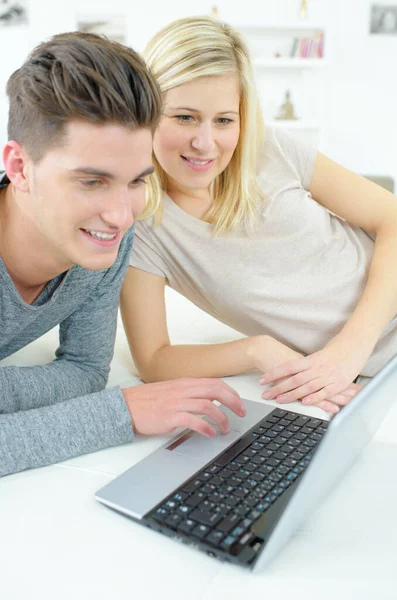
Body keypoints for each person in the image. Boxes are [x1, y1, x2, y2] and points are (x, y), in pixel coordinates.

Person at [120, 15, 397, 416]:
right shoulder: (143, 225)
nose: (205, 143)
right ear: (147, 112)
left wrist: (350, 348)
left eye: (224, 120)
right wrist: (255, 350)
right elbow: (152, 360)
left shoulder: (270, 150)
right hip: (372, 376)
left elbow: (394, 219)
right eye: (184, 117)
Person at [0, 31, 246, 478]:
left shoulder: (106, 240)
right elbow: (94, 390)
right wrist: (120, 412)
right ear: (19, 168)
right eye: (92, 181)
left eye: (136, 181)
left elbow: (87, 369)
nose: (120, 216)